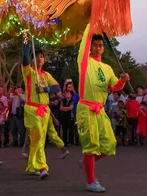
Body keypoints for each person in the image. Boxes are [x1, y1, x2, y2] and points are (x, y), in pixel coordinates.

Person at [75, 23, 128, 193]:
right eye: (95, 45)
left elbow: (114, 87)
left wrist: (123, 81)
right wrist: (92, 21)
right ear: (89, 47)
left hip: (100, 109)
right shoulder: (84, 62)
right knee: (91, 145)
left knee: (109, 144)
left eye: (101, 45)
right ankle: (91, 181)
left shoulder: (107, 68)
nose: (98, 48)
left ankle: (86, 163)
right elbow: (85, 41)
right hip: (86, 108)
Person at [21, 38, 69, 180]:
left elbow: (56, 87)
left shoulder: (46, 75)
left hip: (45, 111)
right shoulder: (28, 72)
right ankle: (42, 167)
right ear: (32, 60)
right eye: (36, 56)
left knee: (37, 140)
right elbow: (24, 57)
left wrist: (45, 89)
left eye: (42, 57)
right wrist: (29, 40)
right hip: (32, 110)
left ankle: (31, 167)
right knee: (39, 138)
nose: (40, 59)